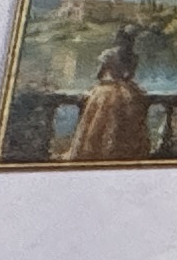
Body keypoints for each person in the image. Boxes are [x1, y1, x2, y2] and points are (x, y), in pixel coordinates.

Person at [64, 29, 150, 162]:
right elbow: (129, 76)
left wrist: (108, 78)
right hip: (127, 91)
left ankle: (98, 151)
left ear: (118, 39)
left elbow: (99, 75)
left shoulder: (109, 54)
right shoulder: (133, 56)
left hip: (107, 91)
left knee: (99, 123)